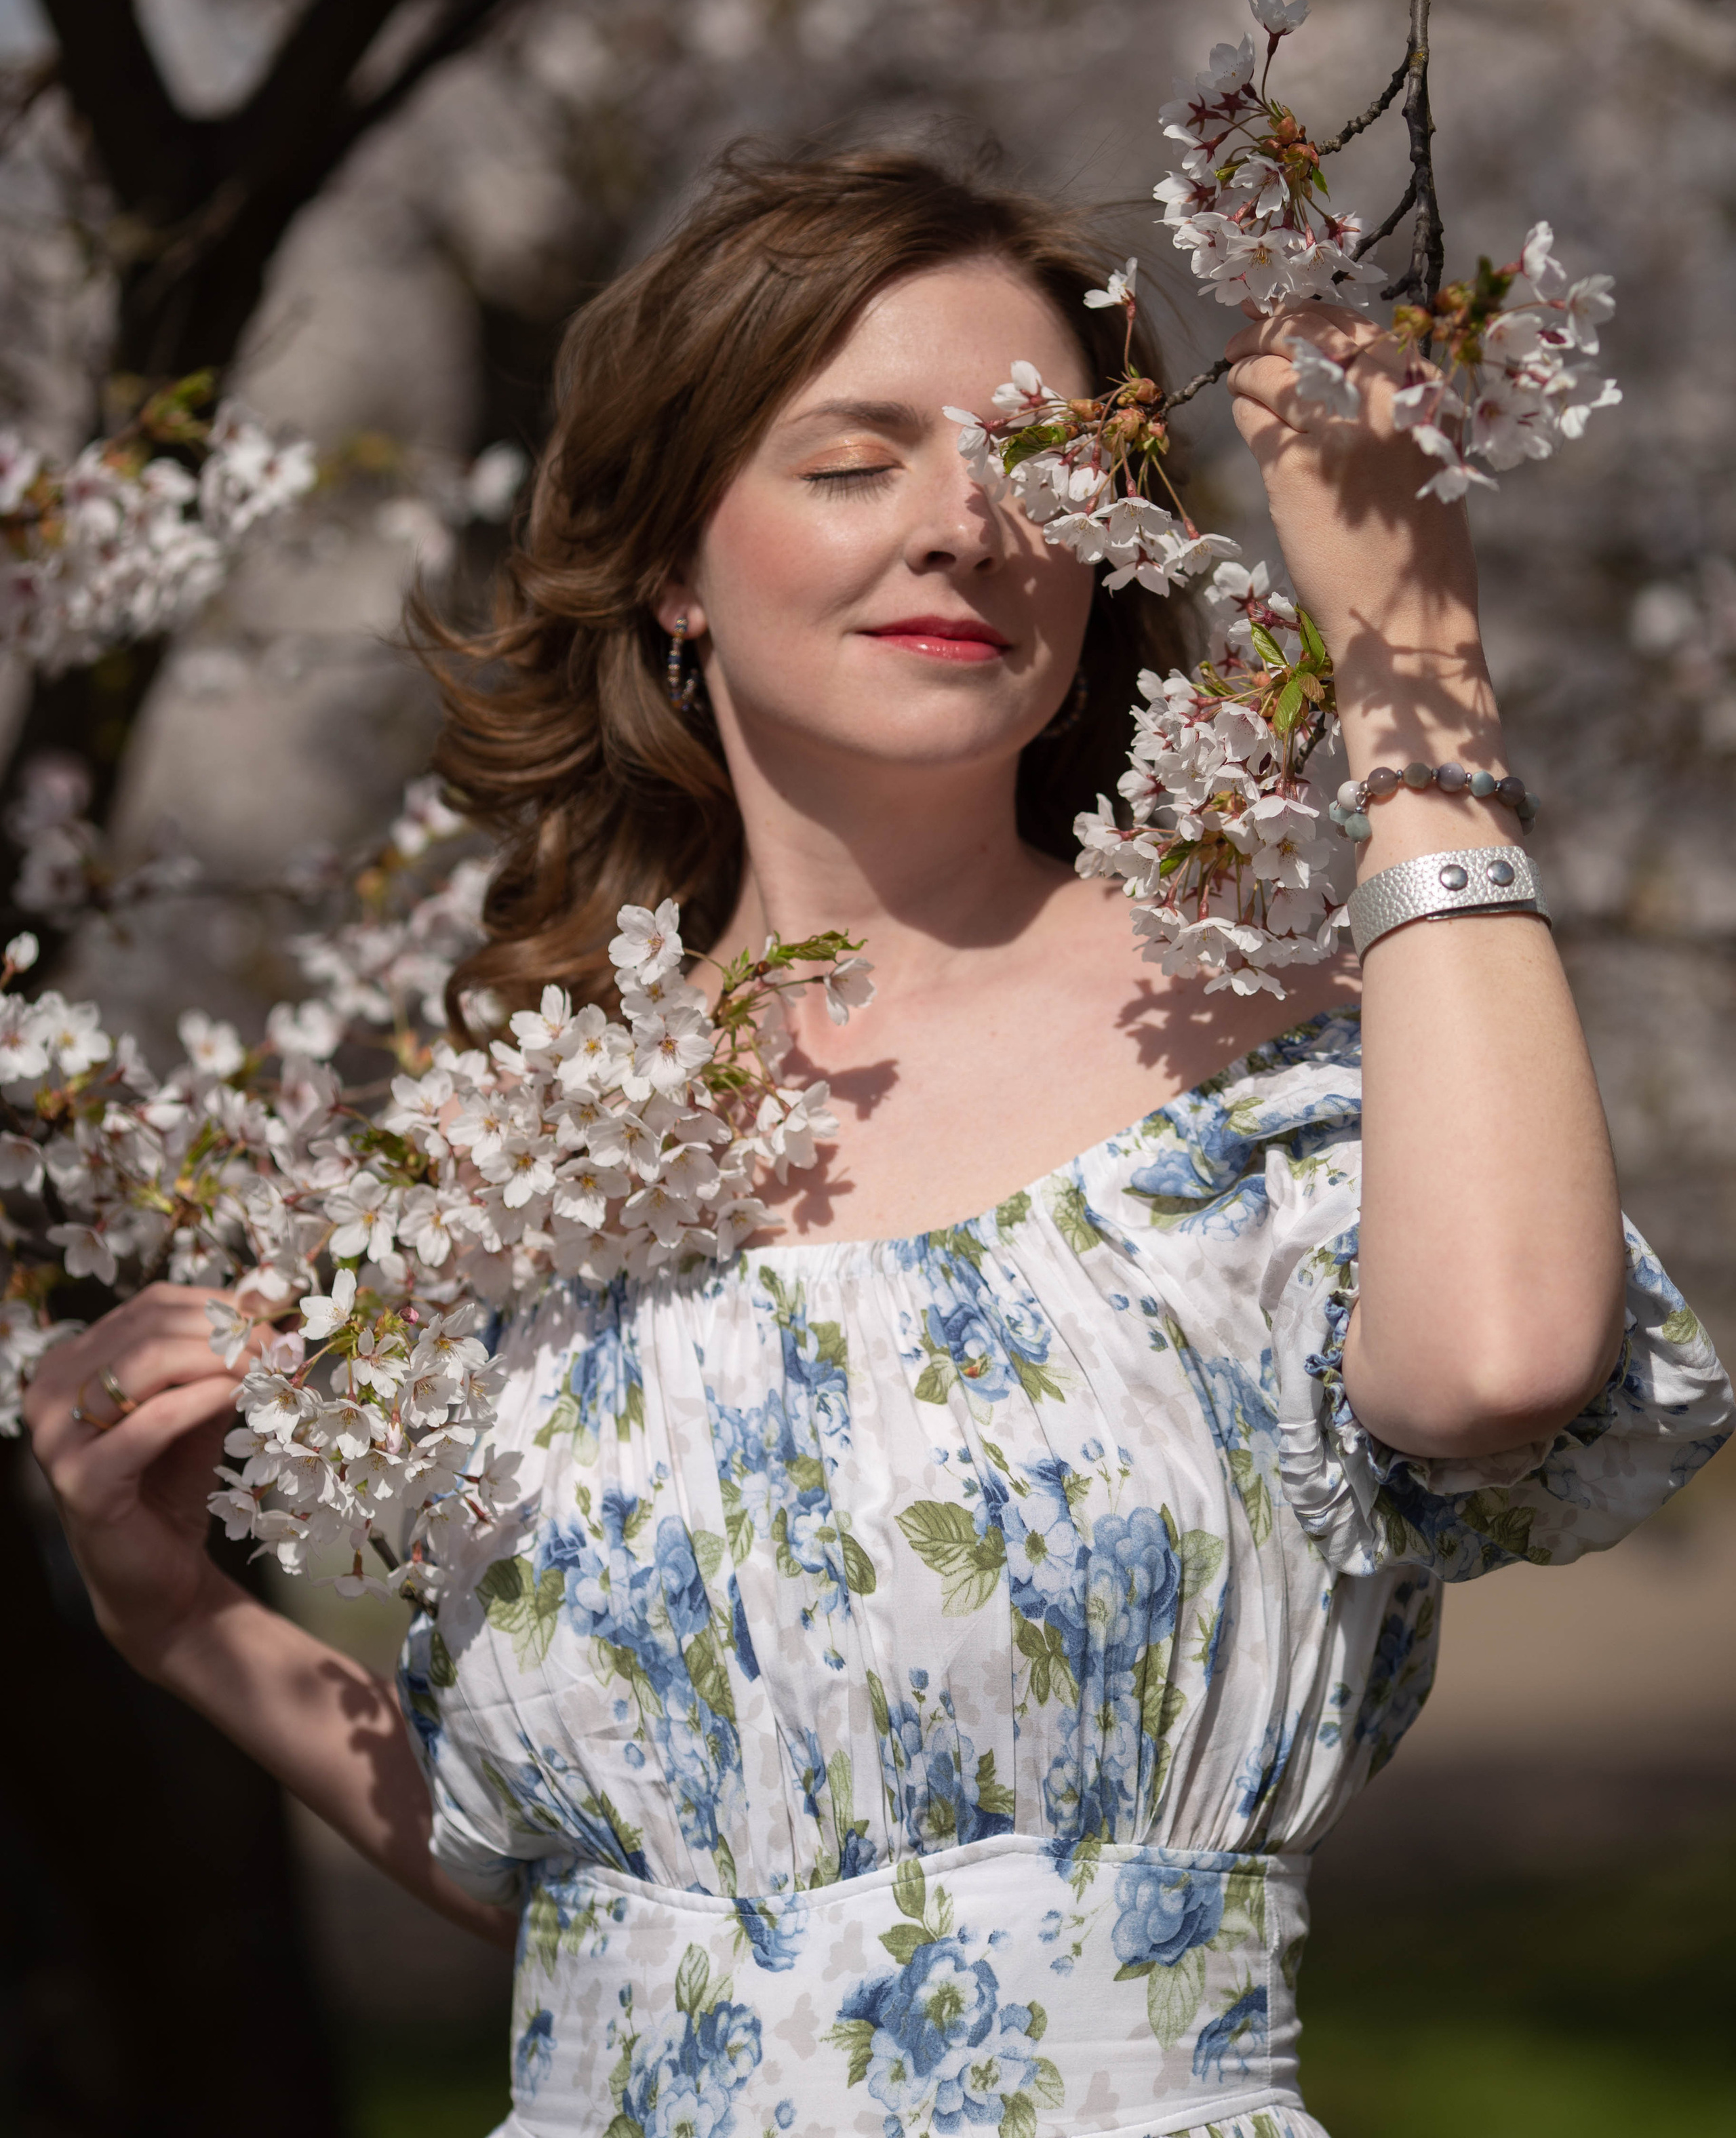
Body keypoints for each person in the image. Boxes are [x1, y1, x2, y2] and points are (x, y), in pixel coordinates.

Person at [25, 149, 1732, 2138]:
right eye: (853, 464)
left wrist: (1412, 674)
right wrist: (178, 1614)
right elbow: (578, 1885)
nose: (965, 527)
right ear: (675, 564)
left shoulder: (1263, 1069)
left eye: (1038, 464)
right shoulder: (528, 1152)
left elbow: (1502, 1366)